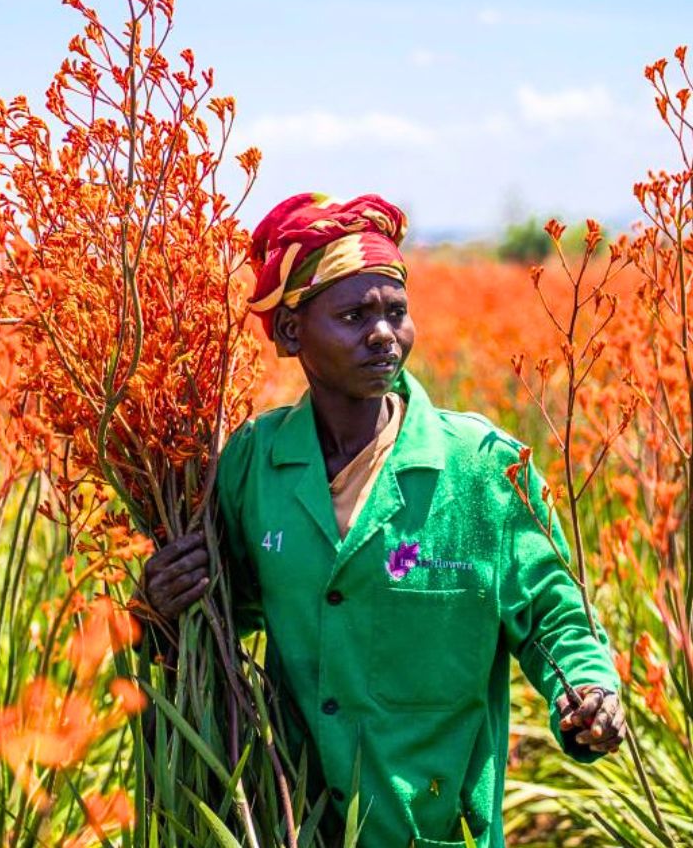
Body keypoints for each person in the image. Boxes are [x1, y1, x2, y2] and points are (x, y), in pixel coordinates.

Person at [142, 193, 626, 848]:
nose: (383, 333)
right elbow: (226, 613)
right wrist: (157, 609)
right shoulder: (254, 464)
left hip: (430, 826)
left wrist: (589, 690)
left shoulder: (482, 469)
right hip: (292, 821)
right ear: (291, 334)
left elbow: (552, 614)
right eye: (353, 315)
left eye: (396, 312)